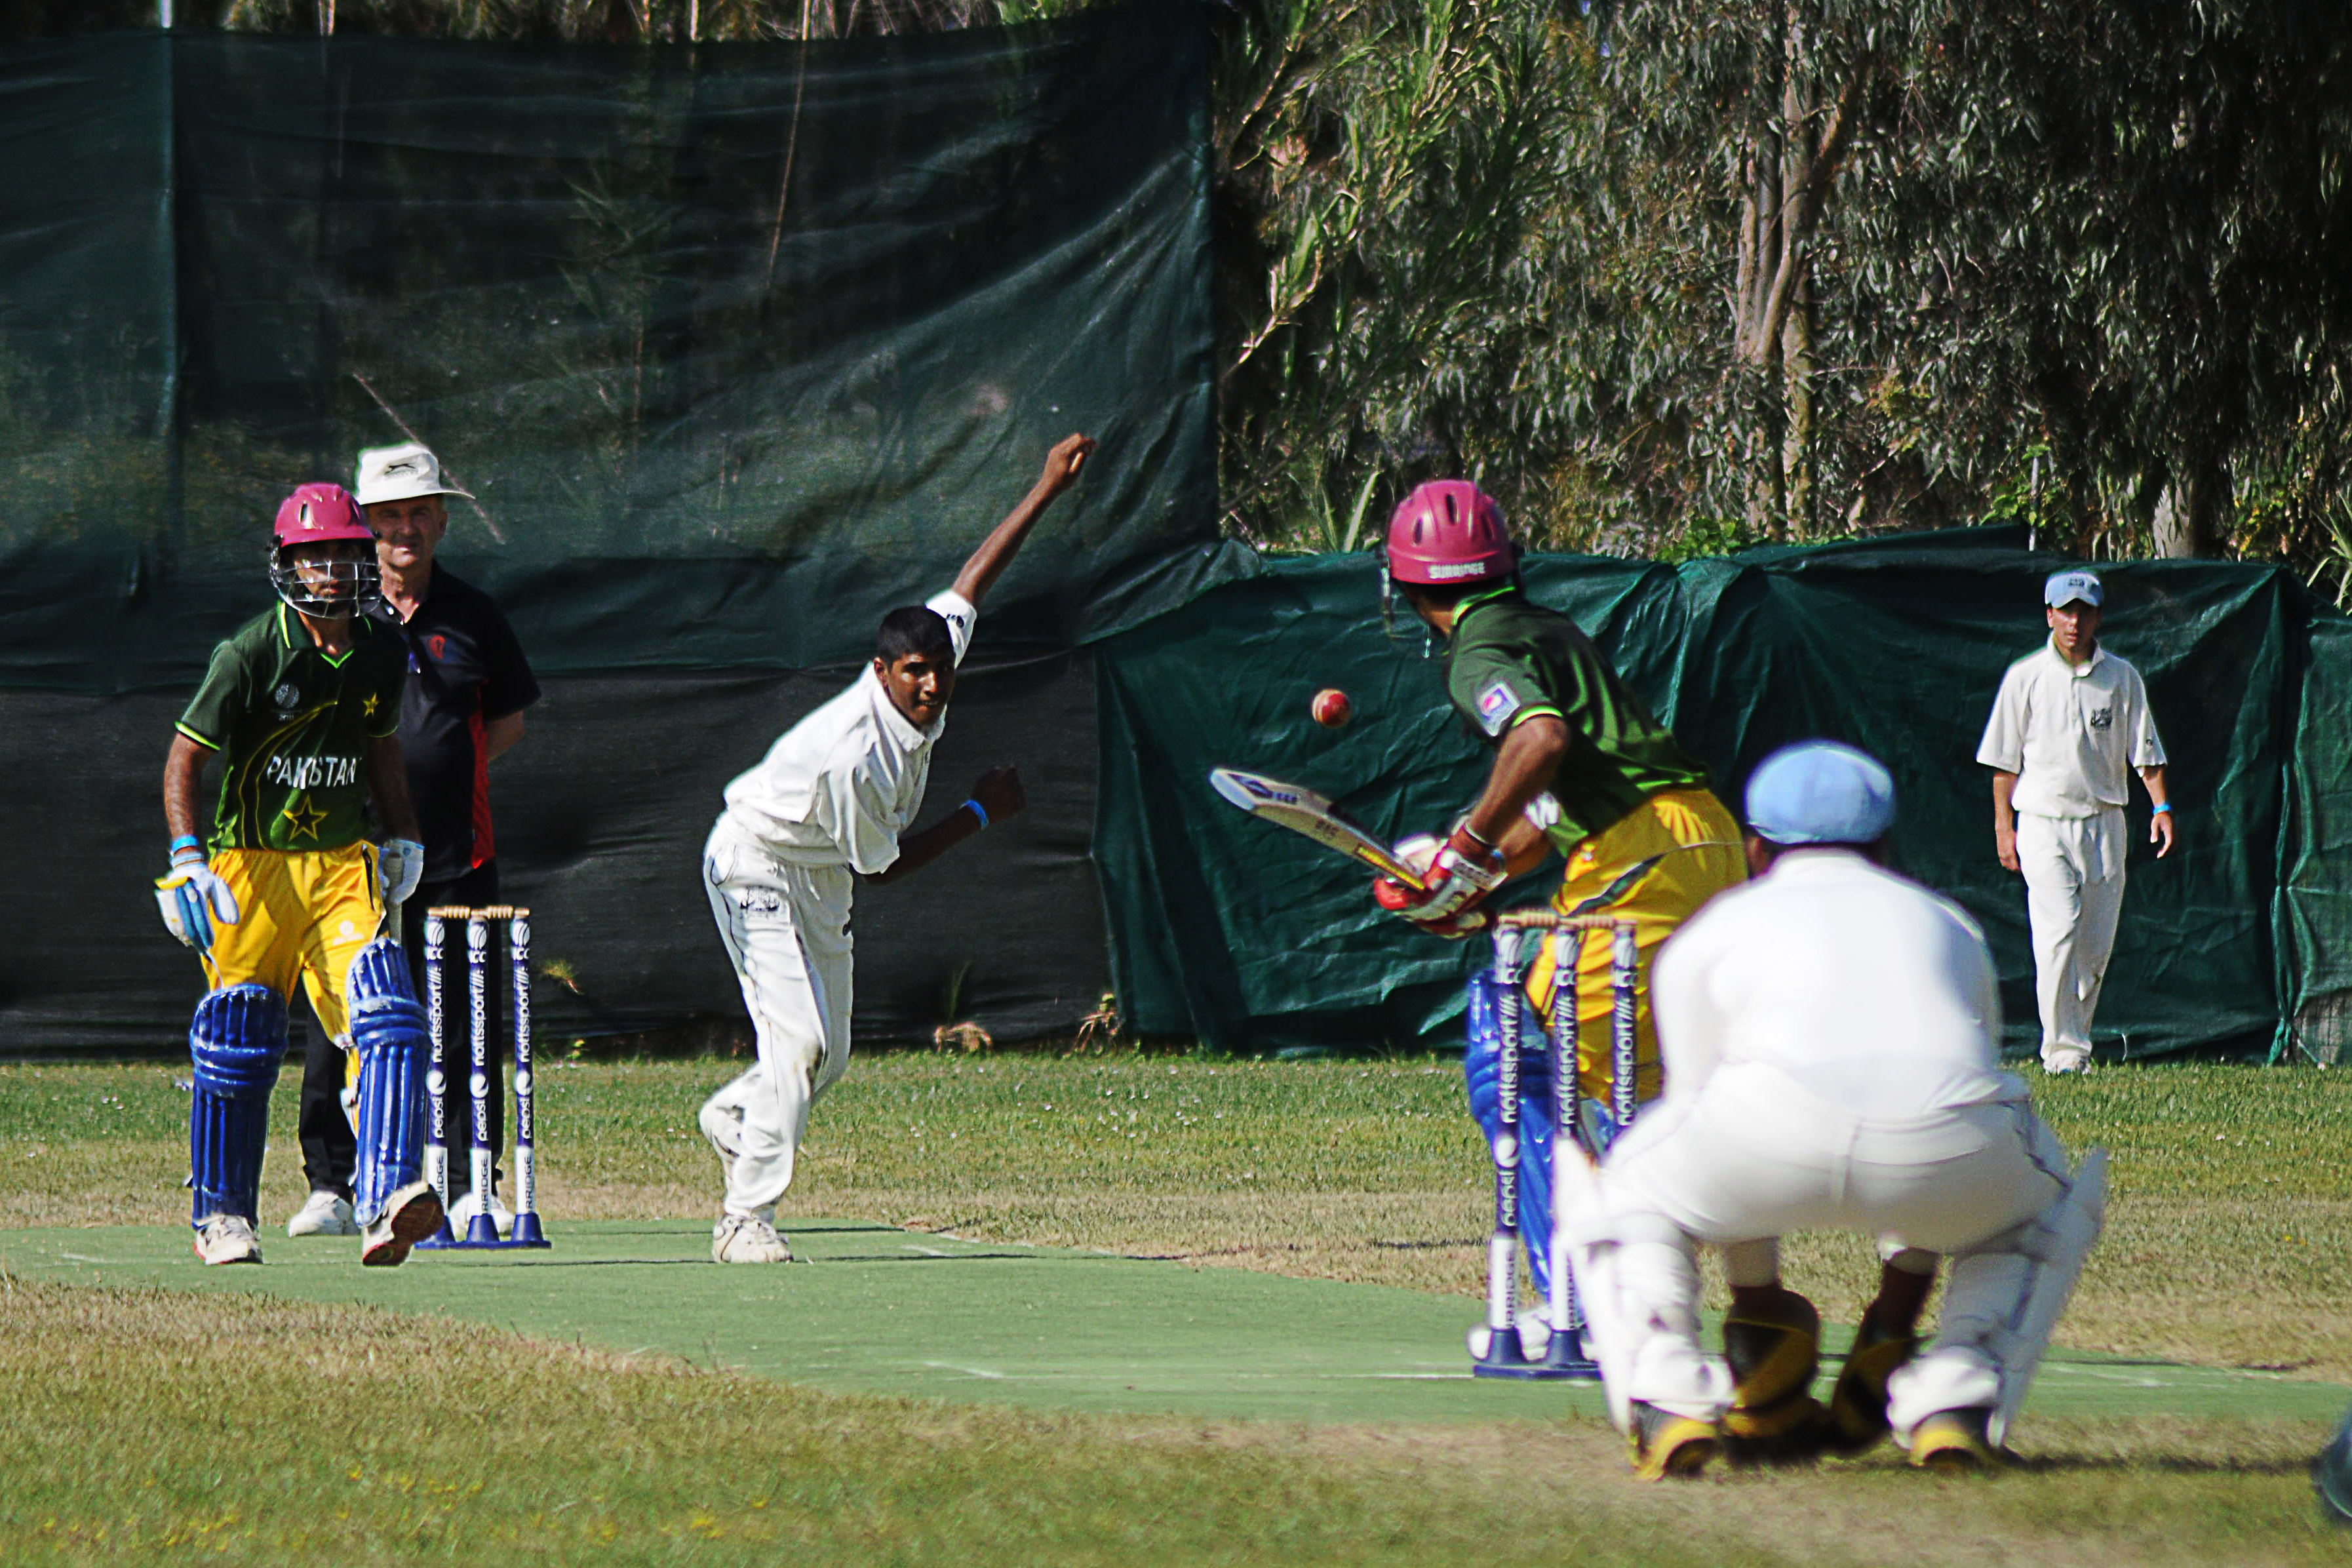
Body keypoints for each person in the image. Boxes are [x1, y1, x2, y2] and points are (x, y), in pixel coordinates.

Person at [1567, 741, 2107, 1479]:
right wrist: (1890, 1323)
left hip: (1757, 1141)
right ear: (1883, 845)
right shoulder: (1950, 925)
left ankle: (1669, 1388)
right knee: (2027, 1212)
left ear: (1756, 848)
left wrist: (1757, 1302)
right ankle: (1954, 1392)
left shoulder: (1710, 932)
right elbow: (1948, 1095)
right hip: (1947, 1155)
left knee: (1627, 1182)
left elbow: (1702, 1108)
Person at [695, 433, 1095, 1264]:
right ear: (881, 671)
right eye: (912, 671)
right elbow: (886, 868)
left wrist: (1046, 486)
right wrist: (981, 810)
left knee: (826, 1059)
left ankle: (734, 1117)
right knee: (796, 1043)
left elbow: (972, 580)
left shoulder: (939, 655)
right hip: (756, 861)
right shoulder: (859, 757)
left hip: (820, 873)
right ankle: (744, 1219)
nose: (931, 685)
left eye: (939, 670)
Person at [1369, 480, 1749, 1316]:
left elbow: (1540, 738)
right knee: (1633, 1090)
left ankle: (1581, 1296)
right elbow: (1548, 811)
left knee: (1510, 1051)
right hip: (1707, 841)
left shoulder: (1476, 651)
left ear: (1404, 584)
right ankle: (1652, 1293)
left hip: (1645, 853)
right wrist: (1474, 881)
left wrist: (1463, 844)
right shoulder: (1549, 627)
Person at [155, 483, 442, 1266]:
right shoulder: (250, 651)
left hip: (342, 865)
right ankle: (222, 1216)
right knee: (240, 1035)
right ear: (287, 564)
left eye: (346, 553)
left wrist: (404, 834)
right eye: (314, 555)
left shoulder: (382, 647)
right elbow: (186, 757)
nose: (331, 569)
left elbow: (381, 742)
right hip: (248, 867)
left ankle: (388, 1196)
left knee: (387, 1011)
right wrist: (186, 858)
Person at [355, 441, 541, 1238]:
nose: (406, 529)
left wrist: (441, 773)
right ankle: (337, 1180)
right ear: (366, 525)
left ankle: (471, 1180)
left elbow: (508, 723)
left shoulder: (474, 614)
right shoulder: (341, 611)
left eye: (419, 514)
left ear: (440, 521)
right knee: (352, 1012)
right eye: (390, 516)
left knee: (465, 1017)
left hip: (459, 850)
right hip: (352, 853)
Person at [1977, 569, 2173, 1074]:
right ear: (2049, 615)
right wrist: (2004, 826)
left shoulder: (2121, 677)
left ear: (2098, 617)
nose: (2074, 621)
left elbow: (2144, 752)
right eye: (2065, 610)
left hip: (2106, 822)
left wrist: (2161, 808)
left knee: (2095, 949)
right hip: (2043, 820)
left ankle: (2076, 1039)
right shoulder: (2025, 677)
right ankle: (2062, 1052)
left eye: (2084, 611)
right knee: (2059, 927)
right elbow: (2004, 762)